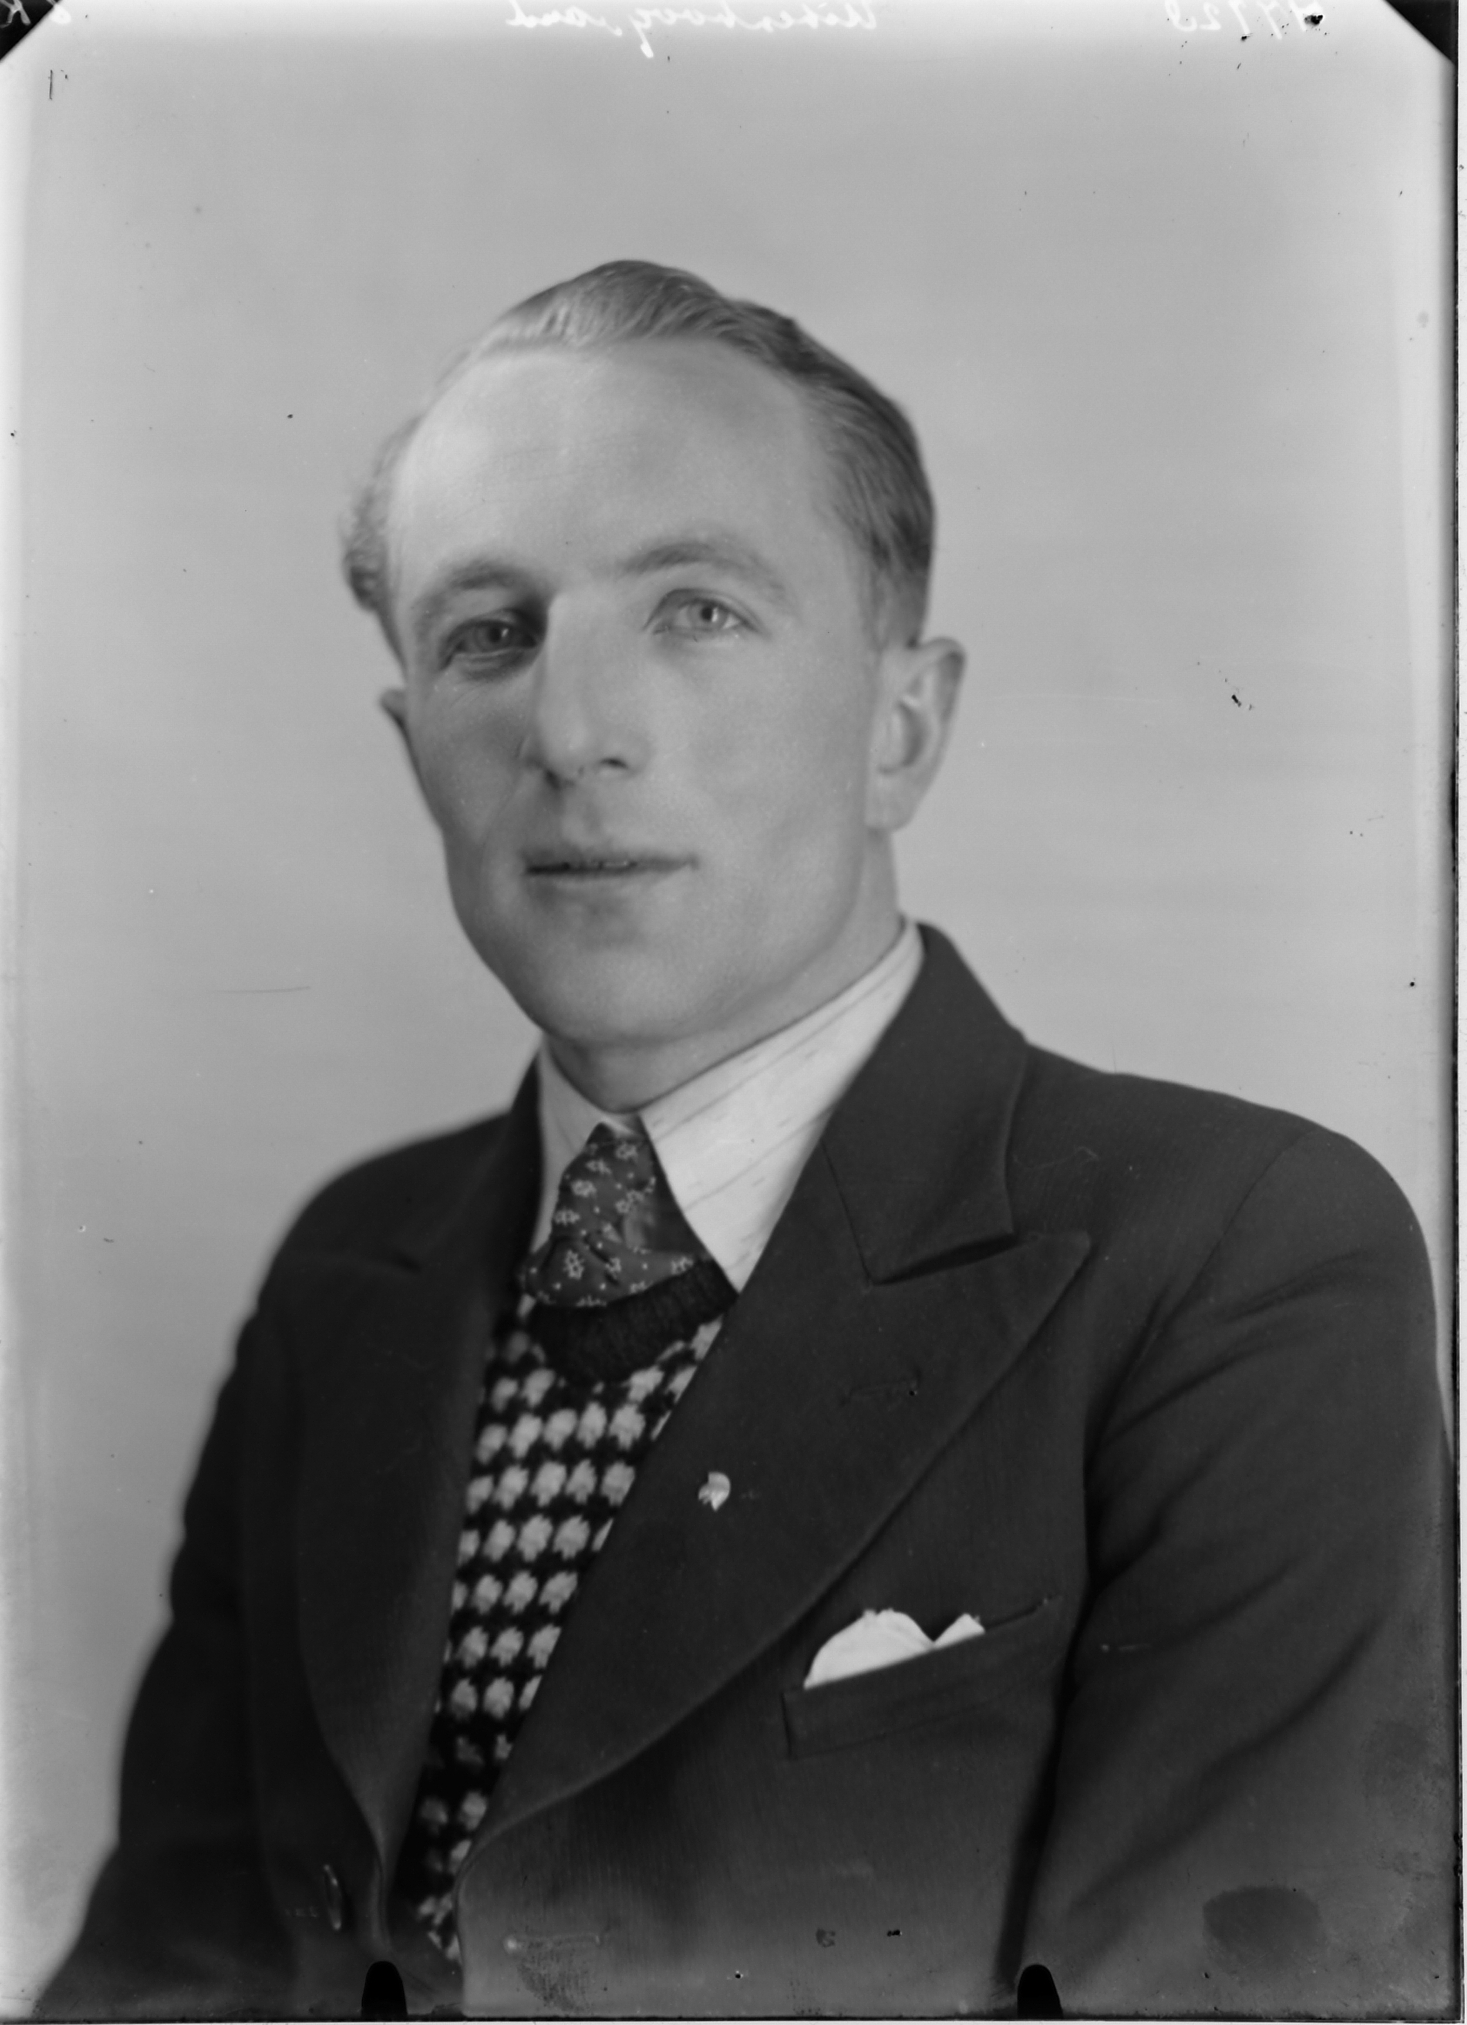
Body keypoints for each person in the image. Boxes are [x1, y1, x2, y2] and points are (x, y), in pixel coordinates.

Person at [39, 261, 1453, 2021]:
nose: (571, 733)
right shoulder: (351, 1270)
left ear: (902, 726)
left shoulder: (1234, 1257)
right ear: (413, 744)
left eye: (696, 610)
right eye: (488, 634)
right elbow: (168, 1975)